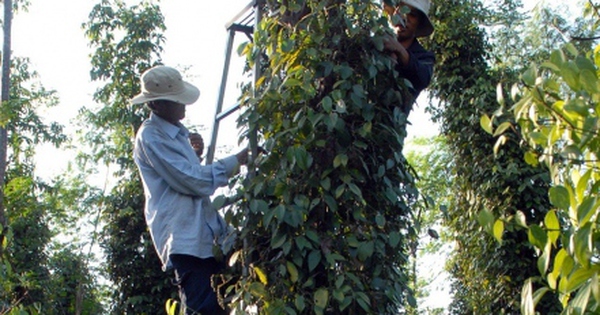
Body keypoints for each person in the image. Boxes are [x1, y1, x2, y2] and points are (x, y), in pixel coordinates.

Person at [131, 65, 247, 314]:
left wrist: (194, 156)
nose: (183, 105)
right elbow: (192, 181)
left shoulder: (176, 136)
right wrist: (236, 160)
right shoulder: (151, 136)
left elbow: (187, 179)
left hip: (207, 236)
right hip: (186, 241)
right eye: (177, 101)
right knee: (203, 308)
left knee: (226, 302)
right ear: (156, 105)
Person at [382, 0, 435, 114]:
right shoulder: (375, 44)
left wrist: (399, 50)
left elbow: (423, 77)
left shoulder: (424, 57)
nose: (404, 18)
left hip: (390, 128)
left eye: (412, 15)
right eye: (400, 10)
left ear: (419, 23)